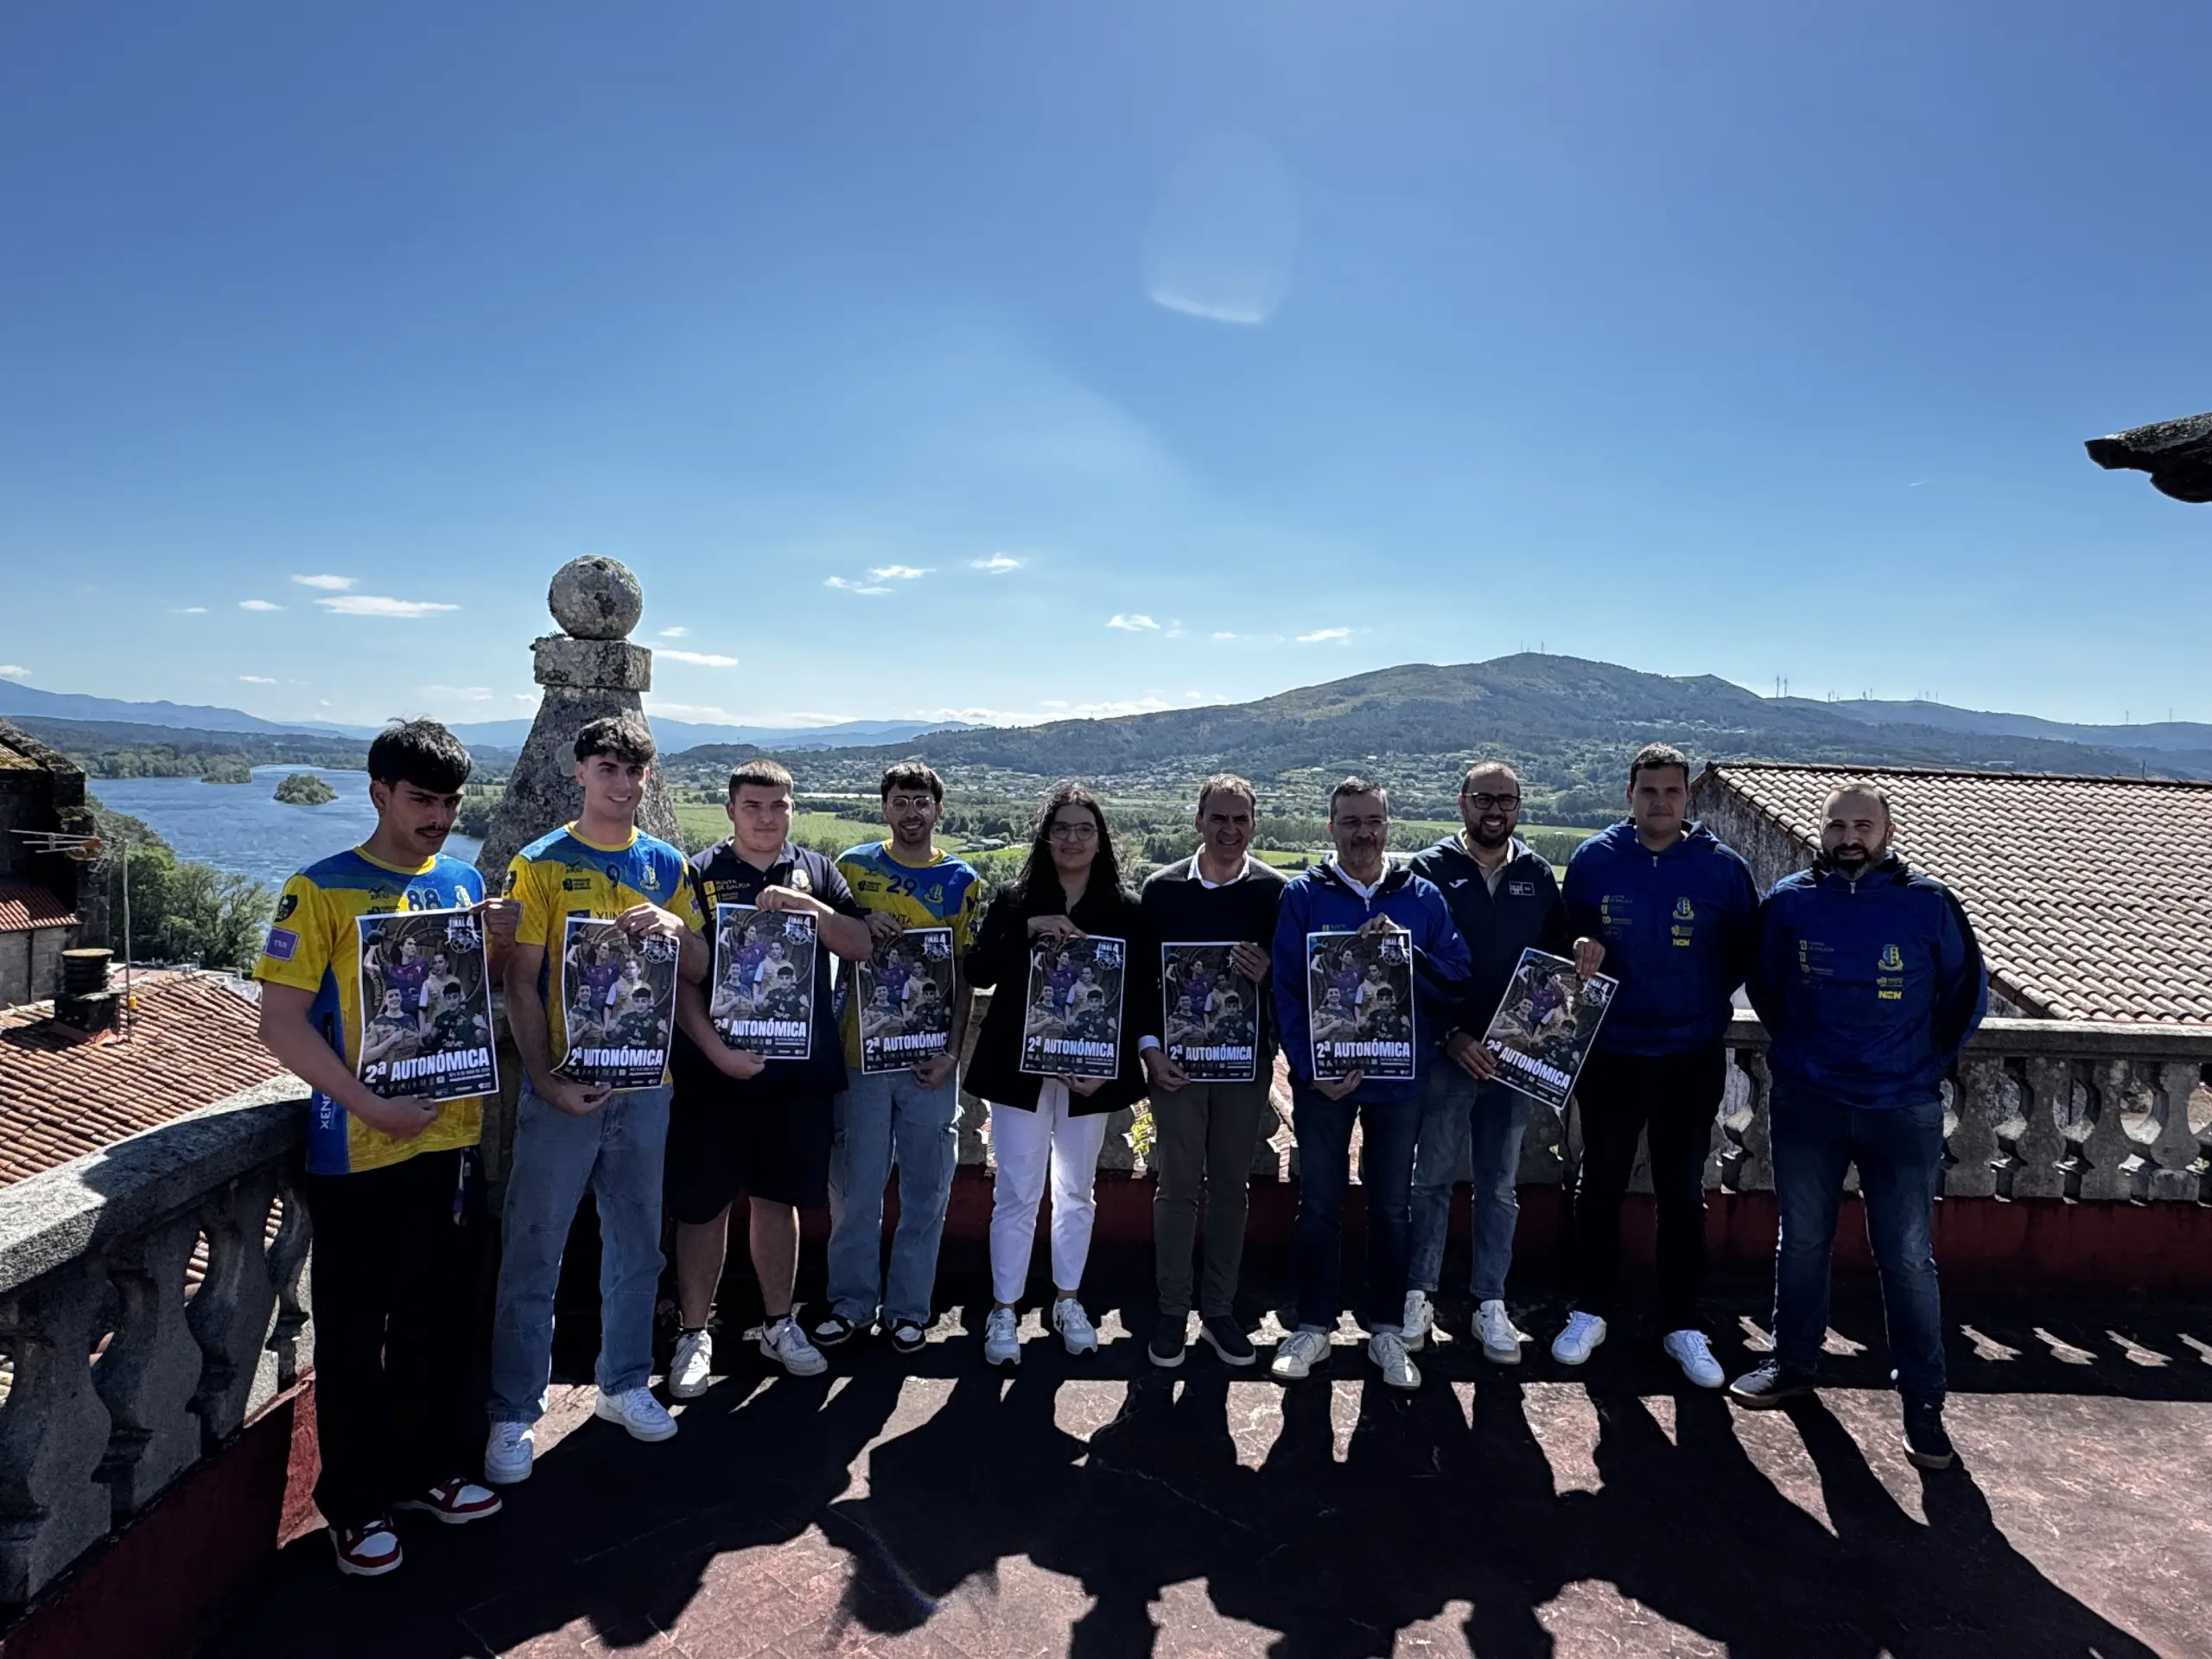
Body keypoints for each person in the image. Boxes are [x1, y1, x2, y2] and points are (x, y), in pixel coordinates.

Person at [253, 718, 516, 1578]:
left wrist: (496, 943)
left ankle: (430, 1471)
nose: (438, 817)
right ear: (378, 793)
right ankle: (357, 1505)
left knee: (441, 1318)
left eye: (451, 802)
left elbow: (462, 999)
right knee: (355, 1333)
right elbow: (279, 1023)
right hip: (358, 1151)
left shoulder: (461, 881)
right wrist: (369, 1104)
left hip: (453, 1139)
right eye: (421, 800)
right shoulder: (318, 890)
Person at [1731, 782, 1987, 1471]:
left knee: (1906, 1256)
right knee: (1801, 1241)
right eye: (1838, 825)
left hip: (1901, 1109)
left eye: (1863, 826)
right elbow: (1767, 986)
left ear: (1887, 832)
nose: (1850, 837)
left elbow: (1967, 993)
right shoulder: (1789, 902)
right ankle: (1792, 1363)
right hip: (1808, 1103)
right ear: (1822, 831)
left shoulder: (1929, 903)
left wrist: (1922, 1063)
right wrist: (1801, 1054)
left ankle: (1924, 1402)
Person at [487, 715, 708, 1484]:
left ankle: (624, 1383)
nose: (621, 783)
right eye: (607, 767)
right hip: (564, 1086)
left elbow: (701, 967)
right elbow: (520, 983)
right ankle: (513, 1410)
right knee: (533, 1247)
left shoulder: (667, 864)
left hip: (647, 1089)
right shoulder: (539, 863)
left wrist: (677, 928)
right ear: (579, 771)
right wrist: (546, 1081)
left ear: (648, 779)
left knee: (638, 1243)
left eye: (634, 770)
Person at [1554, 742, 1758, 1388]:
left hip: (1689, 1055)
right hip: (1610, 1053)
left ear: (1687, 796)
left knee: (1682, 1193)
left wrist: (1694, 1003)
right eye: (1649, 791)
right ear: (1629, 795)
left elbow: (1743, 954)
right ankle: (1589, 1310)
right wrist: (1580, 943)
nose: (1660, 802)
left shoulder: (1723, 869)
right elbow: (1566, 935)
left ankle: (1681, 1323)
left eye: (1672, 791)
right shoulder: (1594, 859)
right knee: (1599, 1186)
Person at [665, 760, 872, 1394]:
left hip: (797, 1076)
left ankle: (779, 1322)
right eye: (753, 805)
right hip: (714, 1073)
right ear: (730, 810)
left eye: (778, 805)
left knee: (778, 1201)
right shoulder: (697, 873)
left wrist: (809, 907)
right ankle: (694, 1333)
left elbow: (859, 944)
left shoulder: (818, 871)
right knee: (703, 1206)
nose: (766, 817)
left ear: (792, 809)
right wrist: (716, 1053)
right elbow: (682, 978)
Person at [1269, 778, 1470, 1391]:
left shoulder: (1422, 896)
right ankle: (1312, 1327)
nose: (1363, 833)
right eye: (1351, 821)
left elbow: (1456, 977)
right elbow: (1286, 990)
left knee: (1391, 1206)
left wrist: (1407, 954)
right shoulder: (1303, 895)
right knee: (1319, 1204)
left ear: (1388, 826)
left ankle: (1386, 1330)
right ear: (1331, 827)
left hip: (1398, 1081)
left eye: (1373, 821)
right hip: (1324, 1083)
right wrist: (1311, 1069)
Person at [1403, 761, 1593, 1365]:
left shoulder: (1536, 874)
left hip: (1513, 1060)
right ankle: (1418, 1294)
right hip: (1447, 1054)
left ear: (1519, 806)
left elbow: (1559, 959)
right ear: (1462, 801)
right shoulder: (1428, 870)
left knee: (1499, 1187)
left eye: (1505, 800)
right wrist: (1451, 1035)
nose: (1494, 810)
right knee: (1431, 1181)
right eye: (1483, 798)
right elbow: (1408, 965)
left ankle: (1490, 1301)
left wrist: (1583, 946)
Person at [962, 783, 1146, 1366]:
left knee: (1075, 1191)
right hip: (1019, 1071)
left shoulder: (1126, 909)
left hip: (1088, 1076)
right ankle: (1004, 1308)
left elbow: (1139, 997)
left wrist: (1110, 1066)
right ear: (1045, 838)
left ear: (1100, 840)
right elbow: (979, 970)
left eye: (1084, 829)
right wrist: (1026, 930)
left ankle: (1068, 1300)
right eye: (1061, 828)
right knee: (1017, 1190)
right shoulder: (1015, 900)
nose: (1072, 838)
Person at [816, 764, 985, 1357]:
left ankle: (909, 1309)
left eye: (921, 802)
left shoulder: (962, 881)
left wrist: (951, 1054)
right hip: (859, 1058)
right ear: (884, 808)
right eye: (900, 801)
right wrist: (858, 921)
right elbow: (822, 932)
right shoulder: (852, 869)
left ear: (939, 809)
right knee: (855, 1193)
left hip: (929, 1065)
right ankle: (850, 1304)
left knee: (926, 1194)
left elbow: (965, 977)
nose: (911, 812)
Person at [1136, 775, 1288, 1370]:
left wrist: (1270, 972)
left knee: (1230, 1189)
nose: (1229, 829)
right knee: (1175, 1189)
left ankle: (1219, 1310)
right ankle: (1172, 1310)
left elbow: (1297, 982)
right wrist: (1150, 1050)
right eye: (1218, 818)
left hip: (1244, 1070)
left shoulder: (1276, 892)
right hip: (1175, 1067)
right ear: (1198, 820)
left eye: (1240, 819)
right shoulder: (1162, 890)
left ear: (1254, 824)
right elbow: (1143, 981)